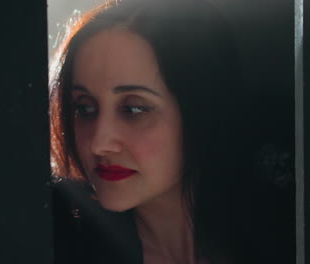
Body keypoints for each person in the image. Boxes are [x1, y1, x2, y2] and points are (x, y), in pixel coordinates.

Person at [49, 0, 294, 263]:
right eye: (85, 109)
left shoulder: (287, 236)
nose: (99, 143)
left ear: (200, 110)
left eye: (133, 109)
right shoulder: (54, 246)